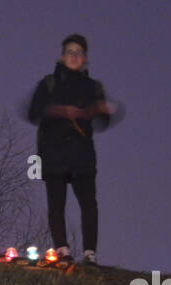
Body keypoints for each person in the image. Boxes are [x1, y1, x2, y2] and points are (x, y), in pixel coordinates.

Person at [26, 33, 115, 265]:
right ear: (62, 56)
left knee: (89, 204)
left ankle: (90, 253)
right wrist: (62, 111)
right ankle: (62, 251)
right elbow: (33, 111)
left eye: (79, 53)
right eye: (70, 52)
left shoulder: (93, 87)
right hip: (54, 151)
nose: (74, 57)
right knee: (57, 203)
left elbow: (103, 121)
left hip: (82, 155)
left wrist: (102, 109)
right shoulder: (49, 83)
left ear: (85, 58)